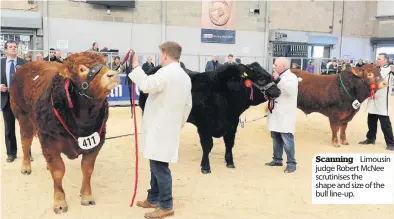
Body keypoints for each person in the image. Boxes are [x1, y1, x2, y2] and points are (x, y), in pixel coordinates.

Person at [128, 41, 192, 219]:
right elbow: (188, 104)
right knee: (156, 162)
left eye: (160, 54)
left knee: (160, 166)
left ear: (164, 54)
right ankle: (153, 198)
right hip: (167, 126)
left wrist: (135, 66)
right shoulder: (184, 76)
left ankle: (165, 205)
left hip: (160, 126)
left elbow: (147, 85)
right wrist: (178, 123)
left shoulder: (167, 73)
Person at [265, 57, 298, 173]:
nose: (273, 66)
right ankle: (277, 159)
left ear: (283, 66)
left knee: (287, 138)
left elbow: (291, 90)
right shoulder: (277, 77)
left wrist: (279, 80)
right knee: (275, 136)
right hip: (275, 112)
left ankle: (291, 163)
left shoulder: (291, 77)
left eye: (276, 64)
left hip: (285, 113)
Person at [0, 40, 32, 162]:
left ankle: (27, 152)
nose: (14, 48)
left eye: (15, 46)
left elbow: (31, 81)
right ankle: (11, 153)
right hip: (6, 100)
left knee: (25, 127)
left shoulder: (24, 63)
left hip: (22, 101)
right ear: (6, 50)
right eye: (11, 47)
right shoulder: (1, 63)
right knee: (9, 128)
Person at [359, 53, 394, 151]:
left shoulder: (391, 69)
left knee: (385, 123)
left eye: (379, 59)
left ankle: (391, 143)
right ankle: (371, 138)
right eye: (377, 59)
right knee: (371, 120)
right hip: (373, 98)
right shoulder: (375, 69)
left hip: (383, 99)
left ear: (386, 60)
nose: (377, 60)